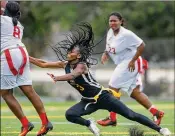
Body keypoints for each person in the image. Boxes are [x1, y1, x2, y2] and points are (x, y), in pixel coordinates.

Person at [29, 22, 171, 136]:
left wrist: (57, 77)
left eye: (72, 51)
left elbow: (73, 75)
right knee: (70, 114)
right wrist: (25, 56)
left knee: (130, 115)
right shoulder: (65, 64)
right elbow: (43, 63)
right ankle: (89, 124)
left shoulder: (81, 65)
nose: (69, 52)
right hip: (88, 101)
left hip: (103, 97)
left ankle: (160, 130)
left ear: (78, 56)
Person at [97, 12, 164, 127]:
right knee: (134, 93)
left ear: (121, 21)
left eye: (115, 21)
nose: (112, 23)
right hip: (125, 63)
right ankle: (156, 113)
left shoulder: (126, 34)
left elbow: (142, 45)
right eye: (110, 21)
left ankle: (112, 118)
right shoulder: (110, 32)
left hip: (130, 63)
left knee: (113, 88)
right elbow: (109, 45)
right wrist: (105, 54)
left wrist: (133, 61)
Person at [0, 2, 53, 136]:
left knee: (6, 93)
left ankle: (25, 123)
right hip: (22, 52)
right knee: (29, 90)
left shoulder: (3, 20)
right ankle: (45, 122)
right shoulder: (19, 24)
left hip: (9, 53)